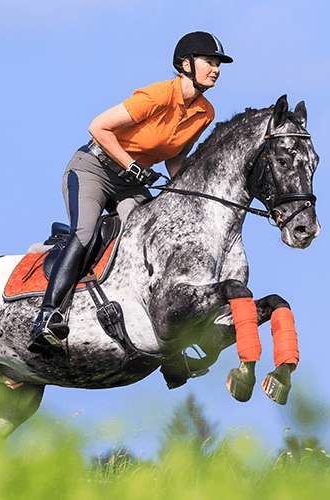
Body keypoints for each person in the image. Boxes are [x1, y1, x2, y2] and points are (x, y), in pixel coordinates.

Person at [30, 31, 230, 349]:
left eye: (219, 63)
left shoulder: (206, 112)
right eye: (210, 62)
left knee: (149, 237)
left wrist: (183, 191)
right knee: (85, 233)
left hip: (130, 184)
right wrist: (132, 165)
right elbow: (98, 126)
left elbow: (175, 156)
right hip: (93, 169)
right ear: (186, 64)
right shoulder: (157, 96)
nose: (216, 69)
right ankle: (47, 316)